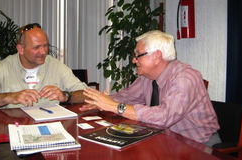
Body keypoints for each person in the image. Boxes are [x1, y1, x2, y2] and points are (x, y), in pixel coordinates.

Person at [0, 23, 88, 159]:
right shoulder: (3, 68)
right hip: (14, 135)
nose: (43, 52)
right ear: (21, 49)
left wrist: (66, 96)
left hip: (53, 133)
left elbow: (87, 94)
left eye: (45, 45)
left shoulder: (56, 66)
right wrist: (8, 97)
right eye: (36, 47)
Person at [81, 30, 221, 147]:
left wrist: (115, 106)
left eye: (137, 55)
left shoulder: (185, 78)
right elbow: (128, 96)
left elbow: (165, 116)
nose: (133, 60)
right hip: (166, 139)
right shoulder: (147, 76)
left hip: (198, 145)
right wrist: (101, 101)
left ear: (156, 56)